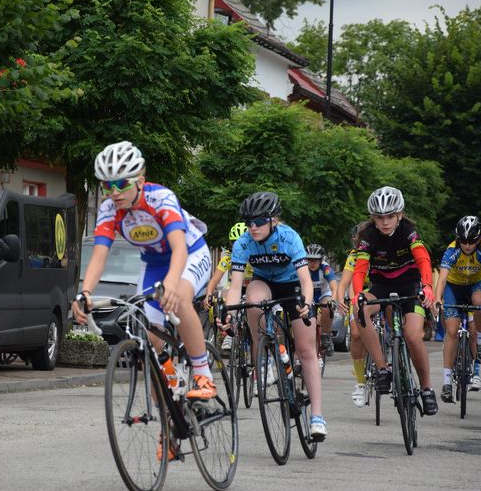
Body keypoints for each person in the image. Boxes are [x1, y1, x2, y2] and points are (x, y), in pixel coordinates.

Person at [72, 141, 216, 403]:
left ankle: (203, 374)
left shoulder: (161, 198)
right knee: (149, 340)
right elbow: (99, 257)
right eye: (107, 185)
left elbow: (180, 248)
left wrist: (172, 284)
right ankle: (168, 427)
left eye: (121, 184)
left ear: (140, 179)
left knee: (180, 298)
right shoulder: (108, 210)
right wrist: (85, 292)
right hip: (154, 263)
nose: (114, 192)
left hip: (190, 252)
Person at [220, 191, 327, 440]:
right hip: (264, 282)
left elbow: (305, 280)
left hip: (293, 285)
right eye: (249, 222)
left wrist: (308, 304)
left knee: (306, 348)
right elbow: (235, 286)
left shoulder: (290, 237)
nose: (253, 227)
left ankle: (317, 417)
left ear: (274, 220)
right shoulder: (243, 242)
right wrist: (228, 312)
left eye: (259, 221)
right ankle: (265, 357)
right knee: (253, 302)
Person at [351, 186, 439, 416]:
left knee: (412, 335)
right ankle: (382, 368)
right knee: (359, 309)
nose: (385, 222)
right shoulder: (368, 235)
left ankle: (427, 388)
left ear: (399, 215)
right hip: (381, 286)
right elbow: (360, 270)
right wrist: (358, 293)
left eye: (390, 216)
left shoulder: (408, 231)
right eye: (379, 217)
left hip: (410, 286)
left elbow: (423, 259)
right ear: (373, 218)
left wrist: (428, 287)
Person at [434, 216, 481, 402]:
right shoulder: (452, 250)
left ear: (479, 239)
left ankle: (480, 339)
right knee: (451, 331)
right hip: (454, 287)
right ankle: (446, 382)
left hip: (475, 285)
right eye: (464, 241)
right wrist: (437, 299)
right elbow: (443, 279)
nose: (467, 245)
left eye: (472, 242)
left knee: (479, 299)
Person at [202, 221, 253, 352]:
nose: (239, 247)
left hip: (252, 286)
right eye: (235, 244)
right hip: (235, 287)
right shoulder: (228, 257)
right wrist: (208, 293)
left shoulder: (255, 255)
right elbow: (215, 279)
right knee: (225, 294)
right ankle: (229, 333)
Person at [336, 223, 371, 407]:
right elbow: (343, 283)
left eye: (360, 239)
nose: (356, 242)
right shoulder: (354, 255)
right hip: (358, 296)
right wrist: (340, 299)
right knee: (356, 336)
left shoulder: (379, 250)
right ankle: (360, 382)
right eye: (355, 240)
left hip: (378, 293)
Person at [306, 243, 337, 357]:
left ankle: (326, 335)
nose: (312, 263)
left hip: (324, 294)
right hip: (309, 295)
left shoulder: (326, 268)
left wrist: (333, 301)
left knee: (327, 306)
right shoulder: (302, 268)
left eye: (316, 260)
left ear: (321, 260)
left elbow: (334, 287)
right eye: (309, 260)